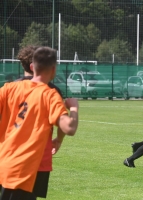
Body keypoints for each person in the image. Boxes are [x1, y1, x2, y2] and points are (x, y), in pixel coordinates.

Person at [0, 46, 79, 199]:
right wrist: (74, 108)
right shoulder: (50, 94)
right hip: (27, 167)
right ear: (54, 69)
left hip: (5, 162)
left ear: (32, 66)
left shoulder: (9, 88)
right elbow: (69, 127)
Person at [15, 45, 66, 199]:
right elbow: (63, 121)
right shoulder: (52, 90)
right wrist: (59, 140)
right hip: (38, 157)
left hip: (11, 154)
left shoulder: (10, 87)